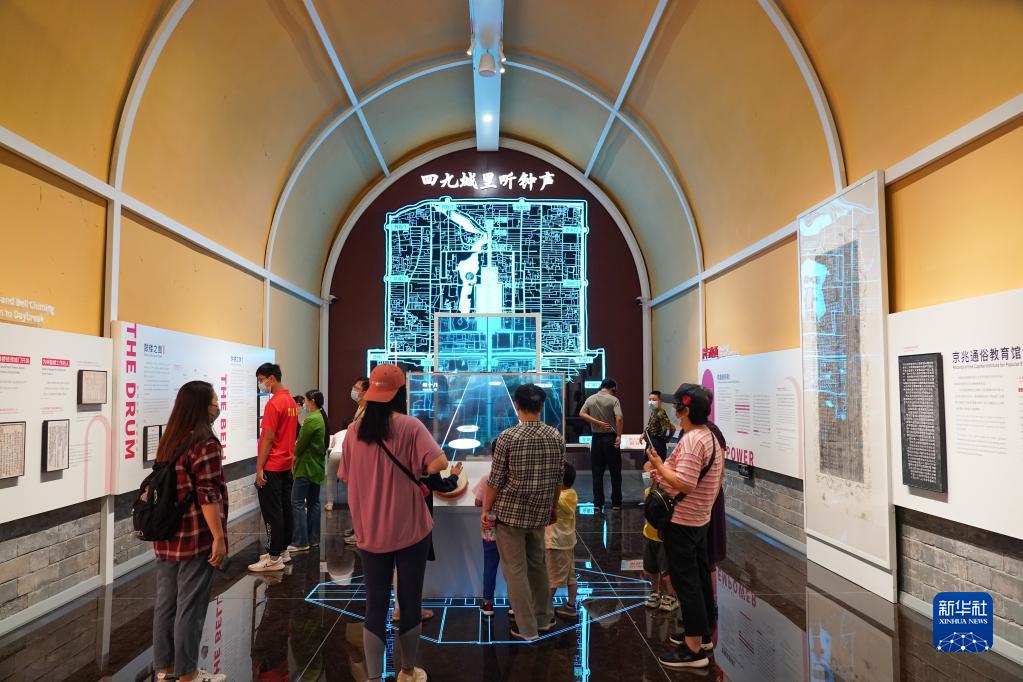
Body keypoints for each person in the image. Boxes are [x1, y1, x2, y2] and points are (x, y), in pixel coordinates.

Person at [340, 364, 448, 682]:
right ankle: (408, 670)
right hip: (411, 528)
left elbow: (346, 476)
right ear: (401, 393)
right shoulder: (410, 426)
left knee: (374, 605)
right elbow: (438, 462)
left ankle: (374, 676)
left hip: (369, 530)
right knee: (410, 601)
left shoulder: (353, 432)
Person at [151, 381, 228, 682]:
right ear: (201, 406)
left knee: (166, 604)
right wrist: (218, 537)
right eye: (214, 402)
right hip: (195, 535)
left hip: (166, 533)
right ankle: (188, 674)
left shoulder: (170, 438)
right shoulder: (205, 442)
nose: (217, 407)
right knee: (190, 607)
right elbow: (207, 494)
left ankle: (165, 668)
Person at [645, 383, 723, 669]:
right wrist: (663, 467)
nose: (674, 410)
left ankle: (693, 650)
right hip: (698, 519)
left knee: (685, 582)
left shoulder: (692, 441)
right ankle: (702, 634)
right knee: (698, 578)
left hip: (682, 520)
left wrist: (658, 466)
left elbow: (685, 483)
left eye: (677, 405)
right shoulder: (709, 436)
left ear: (685, 410)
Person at [482, 383, 566, 641]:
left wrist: (486, 509)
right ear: (541, 406)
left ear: (516, 405)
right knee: (538, 566)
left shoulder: (508, 437)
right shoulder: (555, 436)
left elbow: (495, 480)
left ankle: (526, 628)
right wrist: (552, 508)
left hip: (510, 514)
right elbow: (558, 479)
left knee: (515, 571)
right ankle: (544, 619)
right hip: (540, 512)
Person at [391, 460, 463, 623]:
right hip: (419, 520)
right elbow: (443, 485)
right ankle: (413, 609)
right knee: (414, 567)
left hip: (396, 515)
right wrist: (454, 476)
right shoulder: (425, 460)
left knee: (399, 565)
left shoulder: (397, 457)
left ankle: (398, 608)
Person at [249, 363, 300, 572]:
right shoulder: (290, 401)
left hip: (272, 465)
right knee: (284, 508)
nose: (260, 384)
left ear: (271, 378)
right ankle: (283, 550)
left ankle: (273, 556)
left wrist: (259, 467)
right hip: (285, 464)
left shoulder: (274, 403)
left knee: (272, 512)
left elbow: (268, 438)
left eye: (261, 380)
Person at [289, 389, 328, 553]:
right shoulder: (321, 417)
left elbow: (301, 443)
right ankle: (313, 539)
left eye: (305, 401)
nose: (304, 404)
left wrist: (293, 457)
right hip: (316, 467)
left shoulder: (311, 419)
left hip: (306, 467)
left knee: (297, 502)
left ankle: (300, 541)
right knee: (314, 502)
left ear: (312, 401)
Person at [579, 378, 624, 511]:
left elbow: (581, 413)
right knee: (615, 471)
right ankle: (616, 503)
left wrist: (597, 422)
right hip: (610, 438)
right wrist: (619, 435)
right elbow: (619, 418)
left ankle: (598, 503)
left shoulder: (591, 399)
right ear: (613, 388)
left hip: (596, 439)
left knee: (597, 472)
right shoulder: (614, 400)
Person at [546, 462, 579, 619]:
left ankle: (544, 608)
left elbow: (555, 502)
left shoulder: (560, 497)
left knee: (552, 578)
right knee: (570, 576)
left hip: (556, 543)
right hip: (567, 542)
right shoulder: (572, 494)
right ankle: (571, 606)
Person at [639, 479, 678, 612]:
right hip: (649, 535)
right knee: (652, 567)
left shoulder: (672, 496)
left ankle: (671, 595)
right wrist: (654, 482)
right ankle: (655, 591)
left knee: (667, 569)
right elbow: (649, 494)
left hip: (664, 539)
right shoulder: (650, 492)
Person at [472, 466, 500, 617]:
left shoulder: (486, 477)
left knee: (490, 567)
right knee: (515, 569)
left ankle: (488, 604)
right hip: (511, 531)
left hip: (490, 531)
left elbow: (478, 502)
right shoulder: (515, 476)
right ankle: (514, 606)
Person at [326, 417, 354, 512]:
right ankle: (352, 504)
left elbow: (332, 446)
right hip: (347, 455)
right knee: (352, 479)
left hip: (335, 454)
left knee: (330, 478)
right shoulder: (353, 432)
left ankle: (329, 504)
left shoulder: (337, 434)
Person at [646, 390, 675, 457]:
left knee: (655, 462)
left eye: (654, 400)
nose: (651, 402)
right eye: (650, 399)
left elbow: (672, 428)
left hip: (657, 444)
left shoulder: (660, 413)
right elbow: (651, 426)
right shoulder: (654, 412)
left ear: (660, 401)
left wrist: (667, 439)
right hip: (651, 441)